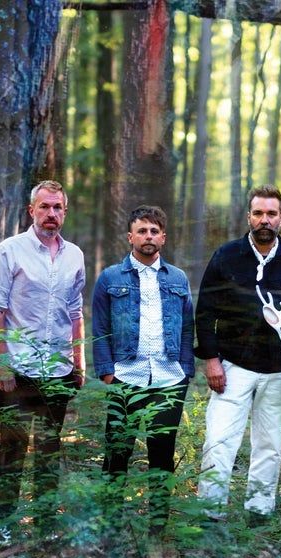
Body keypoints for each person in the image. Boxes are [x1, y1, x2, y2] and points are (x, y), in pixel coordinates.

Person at [195, 184, 281, 518]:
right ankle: (209, 515)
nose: (264, 220)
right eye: (258, 213)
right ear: (249, 217)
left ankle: (259, 512)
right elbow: (205, 311)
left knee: (269, 445)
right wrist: (211, 359)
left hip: (278, 370)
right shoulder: (227, 256)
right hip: (233, 367)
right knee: (219, 440)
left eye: (271, 214)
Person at [0, 180, 86, 545]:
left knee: (48, 449)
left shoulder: (75, 255)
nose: (51, 213)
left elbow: (75, 312)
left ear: (64, 212)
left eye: (57, 207)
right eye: (44, 207)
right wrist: (1, 365)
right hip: (18, 370)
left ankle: (44, 524)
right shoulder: (9, 251)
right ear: (32, 211)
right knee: (12, 448)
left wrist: (79, 361)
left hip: (58, 370)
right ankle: (4, 525)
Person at [91, 205, 194, 533]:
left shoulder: (177, 278)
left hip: (169, 379)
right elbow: (100, 327)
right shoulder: (110, 278)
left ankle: (158, 525)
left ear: (163, 237)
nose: (148, 237)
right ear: (130, 237)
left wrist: (186, 370)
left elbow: (188, 327)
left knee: (162, 454)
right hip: (126, 377)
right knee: (117, 452)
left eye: (154, 231)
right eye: (142, 231)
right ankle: (111, 523)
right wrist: (107, 371)